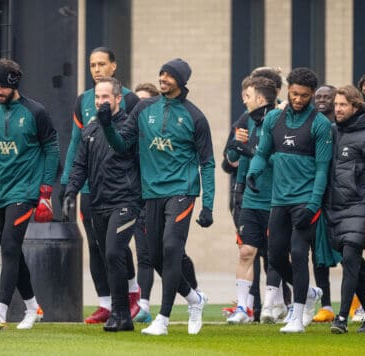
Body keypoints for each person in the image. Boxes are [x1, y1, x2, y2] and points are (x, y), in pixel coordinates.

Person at [101, 58, 215, 336]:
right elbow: (121, 145)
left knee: (172, 248)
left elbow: (208, 163)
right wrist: (107, 126)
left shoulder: (195, 116)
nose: (162, 78)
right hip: (151, 194)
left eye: (169, 75)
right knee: (156, 256)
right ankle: (194, 299)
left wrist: (208, 205)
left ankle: (162, 319)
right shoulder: (143, 108)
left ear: (181, 81)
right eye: (161, 73)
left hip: (182, 192)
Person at [0, 58, 60, 330]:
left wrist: (45, 191)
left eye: (2, 86)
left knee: (8, 246)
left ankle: (1, 312)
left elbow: (52, 149)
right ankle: (33, 307)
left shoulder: (36, 112)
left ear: (14, 85)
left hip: (25, 191)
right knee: (10, 249)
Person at [247, 67, 332, 333]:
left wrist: (314, 204)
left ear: (312, 94)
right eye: (294, 94)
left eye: (304, 95)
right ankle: (307, 294)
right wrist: (253, 171)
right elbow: (262, 153)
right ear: (288, 90)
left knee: (298, 253)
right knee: (275, 256)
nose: (298, 99)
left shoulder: (320, 124)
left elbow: (322, 169)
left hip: (305, 200)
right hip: (279, 200)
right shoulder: (273, 119)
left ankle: (297, 316)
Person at [60, 47, 141, 324]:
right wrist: (68, 184)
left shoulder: (130, 101)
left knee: (115, 249)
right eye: (92, 65)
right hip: (94, 191)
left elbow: (125, 144)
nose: (96, 69)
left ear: (114, 66)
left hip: (124, 193)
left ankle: (132, 296)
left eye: (102, 64)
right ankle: (108, 305)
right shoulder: (83, 103)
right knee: (97, 246)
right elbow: (76, 146)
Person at [325, 85, 365, 334]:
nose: (337, 109)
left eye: (343, 105)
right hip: (335, 210)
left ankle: (341, 317)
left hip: (361, 208)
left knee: (351, 258)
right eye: (336, 105)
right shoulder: (331, 132)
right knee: (354, 267)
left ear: (355, 107)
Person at [224, 76, 277, 324]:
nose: (243, 100)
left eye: (248, 95)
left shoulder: (279, 121)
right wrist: (236, 145)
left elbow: (279, 159)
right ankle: (244, 308)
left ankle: (274, 304)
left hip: (276, 198)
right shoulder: (246, 121)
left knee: (277, 255)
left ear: (259, 98)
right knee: (246, 252)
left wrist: (250, 151)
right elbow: (233, 159)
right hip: (250, 199)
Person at [311, 84, 338, 324]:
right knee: (318, 253)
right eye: (318, 96)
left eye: (326, 96)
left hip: (340, 198)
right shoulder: (312, 124)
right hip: (317, 196)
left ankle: (359, 301)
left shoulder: (341, 126)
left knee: (347, 248)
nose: (321, 100)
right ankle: (326, 305)